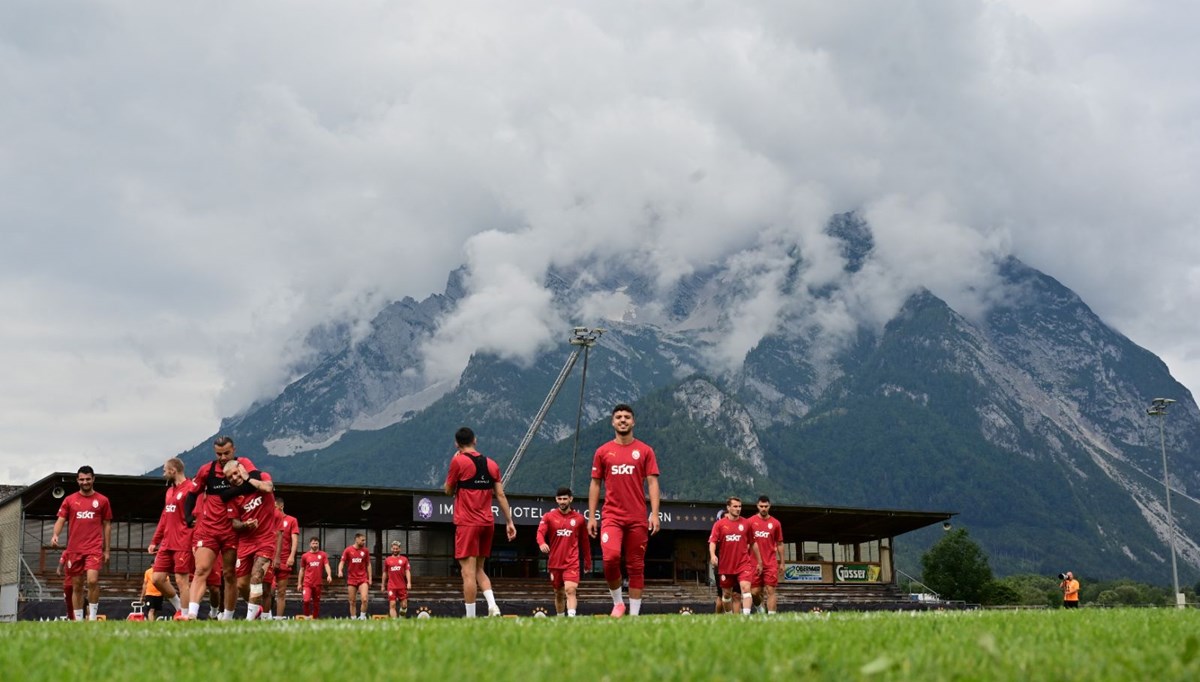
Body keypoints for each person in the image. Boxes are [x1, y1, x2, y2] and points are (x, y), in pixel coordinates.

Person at [587, 404, 661, 618]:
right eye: (618, 417)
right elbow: (595, 485)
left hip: (637, 517)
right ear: (612, 422)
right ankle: (618, 603)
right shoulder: (602, 452)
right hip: (611, 516)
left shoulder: (645, 451)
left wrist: (654, 513)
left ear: (633, 422)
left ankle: (635, 616)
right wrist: (592, 516)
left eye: (627, 417)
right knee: (610, 558)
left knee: (636, 565)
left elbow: (653, 483)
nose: (622, 420)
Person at [444, 426, 516, 617]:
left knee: (467, 573)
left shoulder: (458, 462)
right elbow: (500, 494)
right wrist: (509, 522)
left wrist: (453, 461)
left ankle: (470, 617)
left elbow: (448, 490)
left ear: (456, 444)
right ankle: (492, 606)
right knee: (479, 569)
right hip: (487, 523)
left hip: (467, 523)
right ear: (475, 440)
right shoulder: (492, 464)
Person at [184, 435, 258, 620]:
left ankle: (228, 617)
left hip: (233, 529)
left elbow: (255, 481)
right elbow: (192, 494)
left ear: (234, 450)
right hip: (208, 529)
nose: (223, 457)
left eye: (226, 453)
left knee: (230, 574)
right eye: (219, 454)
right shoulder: (206, 470)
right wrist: (187, 516)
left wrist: (229, 494)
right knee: (201, 569)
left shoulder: (243, 464)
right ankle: (192, 613)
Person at [50, 466, 113, 621]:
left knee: (92, 581)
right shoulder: (69, 500)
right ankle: (78, 621)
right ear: (78, 480)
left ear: (93, 479)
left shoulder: (102, 500)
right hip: (74, 549)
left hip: (94, 548)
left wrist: (107, 550)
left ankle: (92, 617)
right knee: (77, 586)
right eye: (82, 479)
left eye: (88, 479)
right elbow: (61, 520)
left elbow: (107, 525)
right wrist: (55, 535)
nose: (85, 482)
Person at [226, 461, 280, 620]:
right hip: (245, 543)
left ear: (242, 468)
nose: (234, 478)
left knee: (258, 578)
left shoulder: (262, 477)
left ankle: (251, 620)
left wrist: (247, 478)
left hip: (266, 540)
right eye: (230, 477)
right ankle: (259, 612)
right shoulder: (234, 495)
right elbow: (234, 523)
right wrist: (245, 525)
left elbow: (268, 488)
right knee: (242, 585)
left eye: (236, 473)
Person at [147, 458, 195, 618]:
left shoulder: (191, 489)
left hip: (183, 541)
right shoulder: (169, 491)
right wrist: (155, 540)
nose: (163, 473)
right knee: (157, 578)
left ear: (173, 470)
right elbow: (164, 517)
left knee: (182, 581)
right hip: (166, 543)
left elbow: (197, 517)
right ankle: (178, 607)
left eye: (165, 470)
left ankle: (186, 616)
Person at [536, 486, 592, 616]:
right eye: (560, 499)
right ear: (556, 499)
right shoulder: (549, 517)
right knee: (559, 593)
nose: (562, 501)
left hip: (572, 562)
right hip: (555, 563)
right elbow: (540, 533)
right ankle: (561, 620)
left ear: (570, 499)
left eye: (565, 499)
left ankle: (571, 618)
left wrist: (588, 561)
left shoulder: (579, 519)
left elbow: (585, 542)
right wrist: (542, 542)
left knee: (570, 590)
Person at [708, 496, 763, 615]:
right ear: (728, 508)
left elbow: (753, 543)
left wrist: (759, 561)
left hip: (743, 563)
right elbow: (712, 542)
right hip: (726, 565)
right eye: (735, 506)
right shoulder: (719, 525)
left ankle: (746, 617)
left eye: (740, 506)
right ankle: (729, 617)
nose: (738, 509)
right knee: (727, 594)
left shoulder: (746, 523)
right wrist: (712, 555)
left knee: (745, 588)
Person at [748, 495, 784, 615]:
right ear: (757, 506)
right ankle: (760, 609)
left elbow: (779, 543)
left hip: (770, 563)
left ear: (770, 506)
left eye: (766, 506)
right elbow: (745, 542)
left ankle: (772, 618)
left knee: (770, 591)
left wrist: (782, 562)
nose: (764, 508)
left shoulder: (775, 523)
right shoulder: (750, 522)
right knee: (754, 592)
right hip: (753, 563)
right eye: (761, 506)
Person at [272, 498, 300, 619]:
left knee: (281, 592)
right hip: (269, 559)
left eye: (274, 507)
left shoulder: (292, 520)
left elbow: (294, 540)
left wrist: (292, 556)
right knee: (270, 590)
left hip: (284, 559)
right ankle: (265, 615)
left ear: (281, 506)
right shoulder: (269, 520)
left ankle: (278, 619)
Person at [338, 533, 372, 619]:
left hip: (363, 578)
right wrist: (340, 570)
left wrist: (370, 578)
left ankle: (362, 617)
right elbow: (342, 562)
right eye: (362, 540)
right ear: (356, 539)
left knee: (364, 599)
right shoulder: (348, 550)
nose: (364, 542)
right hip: (351, 579)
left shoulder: (366, 551)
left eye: (364, 540)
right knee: (352, 601)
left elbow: (368, 564)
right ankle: (353, 619)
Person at [298, 537, 332, 618]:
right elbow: (301, 570)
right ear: (310, 544)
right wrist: (299, 583)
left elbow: (327, 565)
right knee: (306, 601)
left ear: (318, 544)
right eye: (313, 543)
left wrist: (329, 575)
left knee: (316, 603)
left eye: (316, 543)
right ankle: (306, 617)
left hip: (318, 584)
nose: (315, 545)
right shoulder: (305, 556)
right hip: (307, 583)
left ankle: (315, 618)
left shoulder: (323, 555)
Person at [382, 540, 412, 619]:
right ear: (391, 549)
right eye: (393, 548)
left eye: (396, 548)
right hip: (391, 586)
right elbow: (385, 573)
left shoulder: (404, 559)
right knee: (392, 604)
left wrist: (409, 582)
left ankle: (401, 618)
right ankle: (395, 622)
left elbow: (407, 571)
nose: (395, 550)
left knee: (404, 605)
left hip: (402, 586)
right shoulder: (387, 560)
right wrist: (382, 585)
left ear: (400, 549)